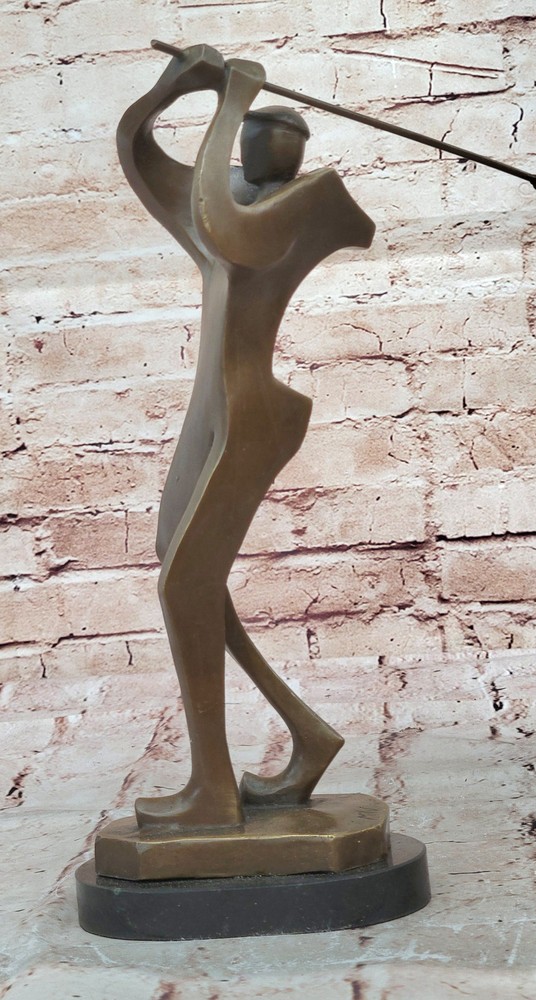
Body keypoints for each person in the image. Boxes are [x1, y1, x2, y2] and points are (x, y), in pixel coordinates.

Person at [116, 44, 376, 829]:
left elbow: (229, 231)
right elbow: (141, 161)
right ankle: (307, 736)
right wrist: (167, 93)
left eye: (267, 133)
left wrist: (231, 100)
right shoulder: (224, 196)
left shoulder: (310, 201)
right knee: (182, 569)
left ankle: (211, 790)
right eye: (248, 134)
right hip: (213, 408)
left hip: (253, 413)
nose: (254, 145)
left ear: (292, 149)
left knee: (184, 587)